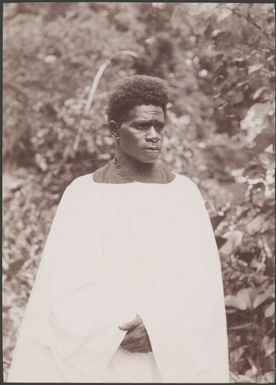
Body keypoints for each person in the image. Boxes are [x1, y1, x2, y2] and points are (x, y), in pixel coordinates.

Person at [7, 75, 229, 383]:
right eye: (141, 126)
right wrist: (114, 328)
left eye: (159, 127)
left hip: (165, 356)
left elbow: (199, 282)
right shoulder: (83, 194)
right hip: (99, 355)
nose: (154, 136)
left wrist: (156, 326)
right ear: (114, 130)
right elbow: (62, 280)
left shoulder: (183, 194)